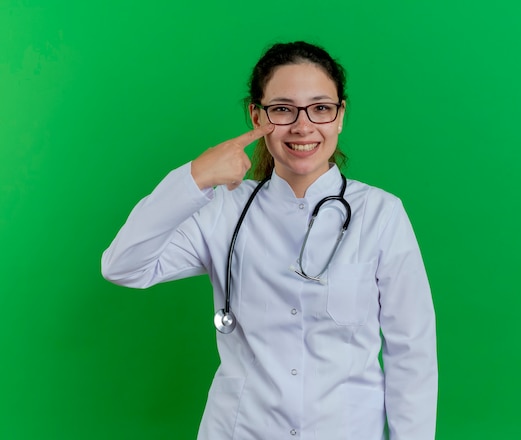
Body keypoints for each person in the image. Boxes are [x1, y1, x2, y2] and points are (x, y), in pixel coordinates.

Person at [102, 41, 437, 440]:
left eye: (320, 107)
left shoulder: (381, 213)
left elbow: (411, 353)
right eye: (282, 109)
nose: (302, 125)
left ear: (340, 115)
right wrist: (194, 177)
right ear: (256, 116)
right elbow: (122, 266)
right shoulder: (221, 210)